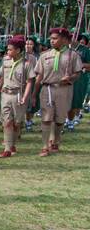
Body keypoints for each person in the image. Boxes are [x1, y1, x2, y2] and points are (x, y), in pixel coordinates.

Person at [33, 27, 84, 156]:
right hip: (47, 89)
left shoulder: (73, 55)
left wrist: (70, 77)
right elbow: (39, 76)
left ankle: (56, 140)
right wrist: (34, 94)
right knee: (46, 118)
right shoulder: (44, 55)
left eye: (55, 38)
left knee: (60, 118)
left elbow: (78, 73)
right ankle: (45, 146)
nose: (52, 41)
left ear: (64, 40)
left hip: (64, 89)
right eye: (51, 38)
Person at [0, 35, 34, 157]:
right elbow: (2, 77)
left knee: (17, 123)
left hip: (18, 95)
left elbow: (29, 82)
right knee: (7, 122)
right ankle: (7, 149)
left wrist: (25, 97)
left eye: (10, 49)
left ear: (18, 50)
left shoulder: (26, 64)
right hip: (6, 94)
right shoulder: (5, 61)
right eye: (8, 49)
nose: (8, 51)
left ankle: (12, 144)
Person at [68, 32, 90, 130]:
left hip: (80, 79)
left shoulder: (85, 50)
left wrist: (79, 64)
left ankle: (73, 119)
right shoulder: (66, 49)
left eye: (72, 38)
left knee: (76, 99)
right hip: (66, 78)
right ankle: (66, 120)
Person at [24, 36, 41, 131]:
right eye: (26, 44)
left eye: (30, 44)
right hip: (22, 82)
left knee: (32, 101)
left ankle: (29, 120)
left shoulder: (37, 56)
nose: (28, 46)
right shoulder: (22, 55)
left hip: (33, 81)